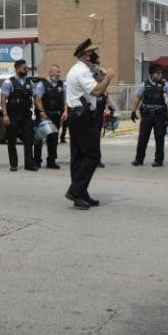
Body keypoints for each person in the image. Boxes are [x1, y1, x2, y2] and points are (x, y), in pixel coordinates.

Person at [64, 39, 114, 209]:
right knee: (93, 155)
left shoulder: (81, 70)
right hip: (82, 116)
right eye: (92, 55)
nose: (95, 57)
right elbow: (97, 91)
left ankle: (81, 194)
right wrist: (107, 78)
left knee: (79, 157)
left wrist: (100, 75)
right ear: (85, 57)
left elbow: (95, 86)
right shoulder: (82, 72)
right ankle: (75, 190)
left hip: (78, 115)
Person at [130, 64, 168, 167]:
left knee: (160, 138)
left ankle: (159, 160)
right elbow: (137, 97)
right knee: (142, 137)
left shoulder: (165, 85)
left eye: (161, 73)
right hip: (146, 115)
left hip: (160, 116)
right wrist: (133, 111)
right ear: (152, 74)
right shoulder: (144, 85)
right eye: (158, 73)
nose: (160, 75)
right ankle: (139, 159)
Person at [1, 59, 38, 171]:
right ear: (17, 69)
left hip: (26, 115)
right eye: (24, 68)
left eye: (27, 69)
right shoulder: (9, 82)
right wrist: (5, 115)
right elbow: (3, 99)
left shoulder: (29, 83)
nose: (26, 70)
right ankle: (13, 164)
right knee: (12, 140)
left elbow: (35, 97)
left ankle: (29, 164)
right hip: (13, 115)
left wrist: (39, 111)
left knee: (28, 140)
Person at [33, 64, 66, 170]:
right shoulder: (42, 84)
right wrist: (41, 111)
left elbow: (65, 99)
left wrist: (65, 111)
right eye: (57, 72)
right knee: (39, 138)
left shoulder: (62, 85)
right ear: (51, 72)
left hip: (56, 115)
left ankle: (51, 161)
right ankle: (37, 161)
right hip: (44, 115)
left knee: (53, 139)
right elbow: (37, 98)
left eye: (59, 72)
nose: (59, 74)